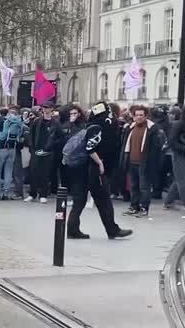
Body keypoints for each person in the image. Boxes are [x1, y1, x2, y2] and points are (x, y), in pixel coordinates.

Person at [65, 102, 133, 240]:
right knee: (103, 200)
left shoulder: (90, 124)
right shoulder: (97, 127)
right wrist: (100, 163)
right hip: (92, 169)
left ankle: (72, 229)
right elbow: (91, 148)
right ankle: (112, 230)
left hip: (80, 168)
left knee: (80, 200)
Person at [120, 105, 165, 218]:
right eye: (137, 115)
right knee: (134, 186)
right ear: (133, 117)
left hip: (145, 163)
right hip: (132, 162)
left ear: (146, 116)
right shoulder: (130, 127)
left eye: (141, 115)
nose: (139, 117)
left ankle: (144, 208)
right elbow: (125, 145)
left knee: (144, 187)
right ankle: (134, 207)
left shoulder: (152, 129)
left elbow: (157, 147)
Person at [0, 108, 24, 200]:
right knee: (8, 171)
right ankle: (6, 193)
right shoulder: (18, 121)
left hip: (0, 148)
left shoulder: (2, 120)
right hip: (12, 148)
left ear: (8, 113)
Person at [26, 102, 58, 203]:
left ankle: (43, 194)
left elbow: (60, 137)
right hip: (36, 150)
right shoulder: (37, 121)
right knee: (33, 172)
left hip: (48, 151)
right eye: (44, 107)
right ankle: (32, 193)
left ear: (51, 109)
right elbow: (31, 134)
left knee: (45, 173)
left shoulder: (55, 123)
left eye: (47, 107)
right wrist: (31, 148)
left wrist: (52, 146)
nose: (45, 109)